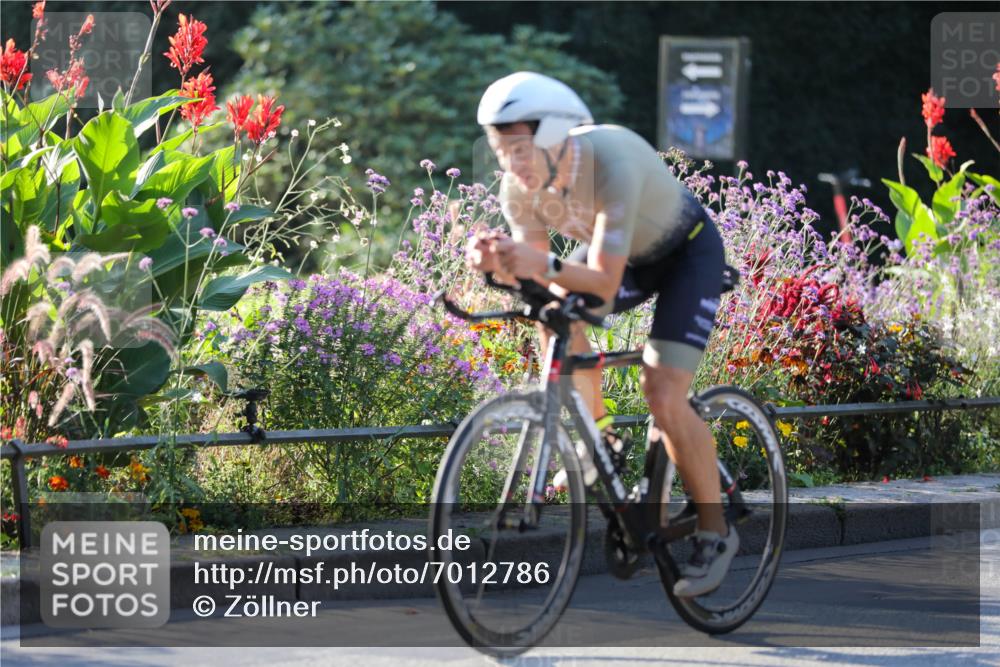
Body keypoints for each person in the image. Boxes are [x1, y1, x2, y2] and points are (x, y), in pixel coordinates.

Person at [465, 71, 737, 598]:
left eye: (518, 150)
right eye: (500, 151)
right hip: (624, 258)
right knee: (555, 322)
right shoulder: (518, 190)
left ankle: (715, 532)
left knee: (662, 393)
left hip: (685, 256)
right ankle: (603, 439)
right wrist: (499, 266)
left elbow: (604, 283)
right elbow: (542, 280)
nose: (508, 164)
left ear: (553, 138)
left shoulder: (612, 162)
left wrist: (534, 261)